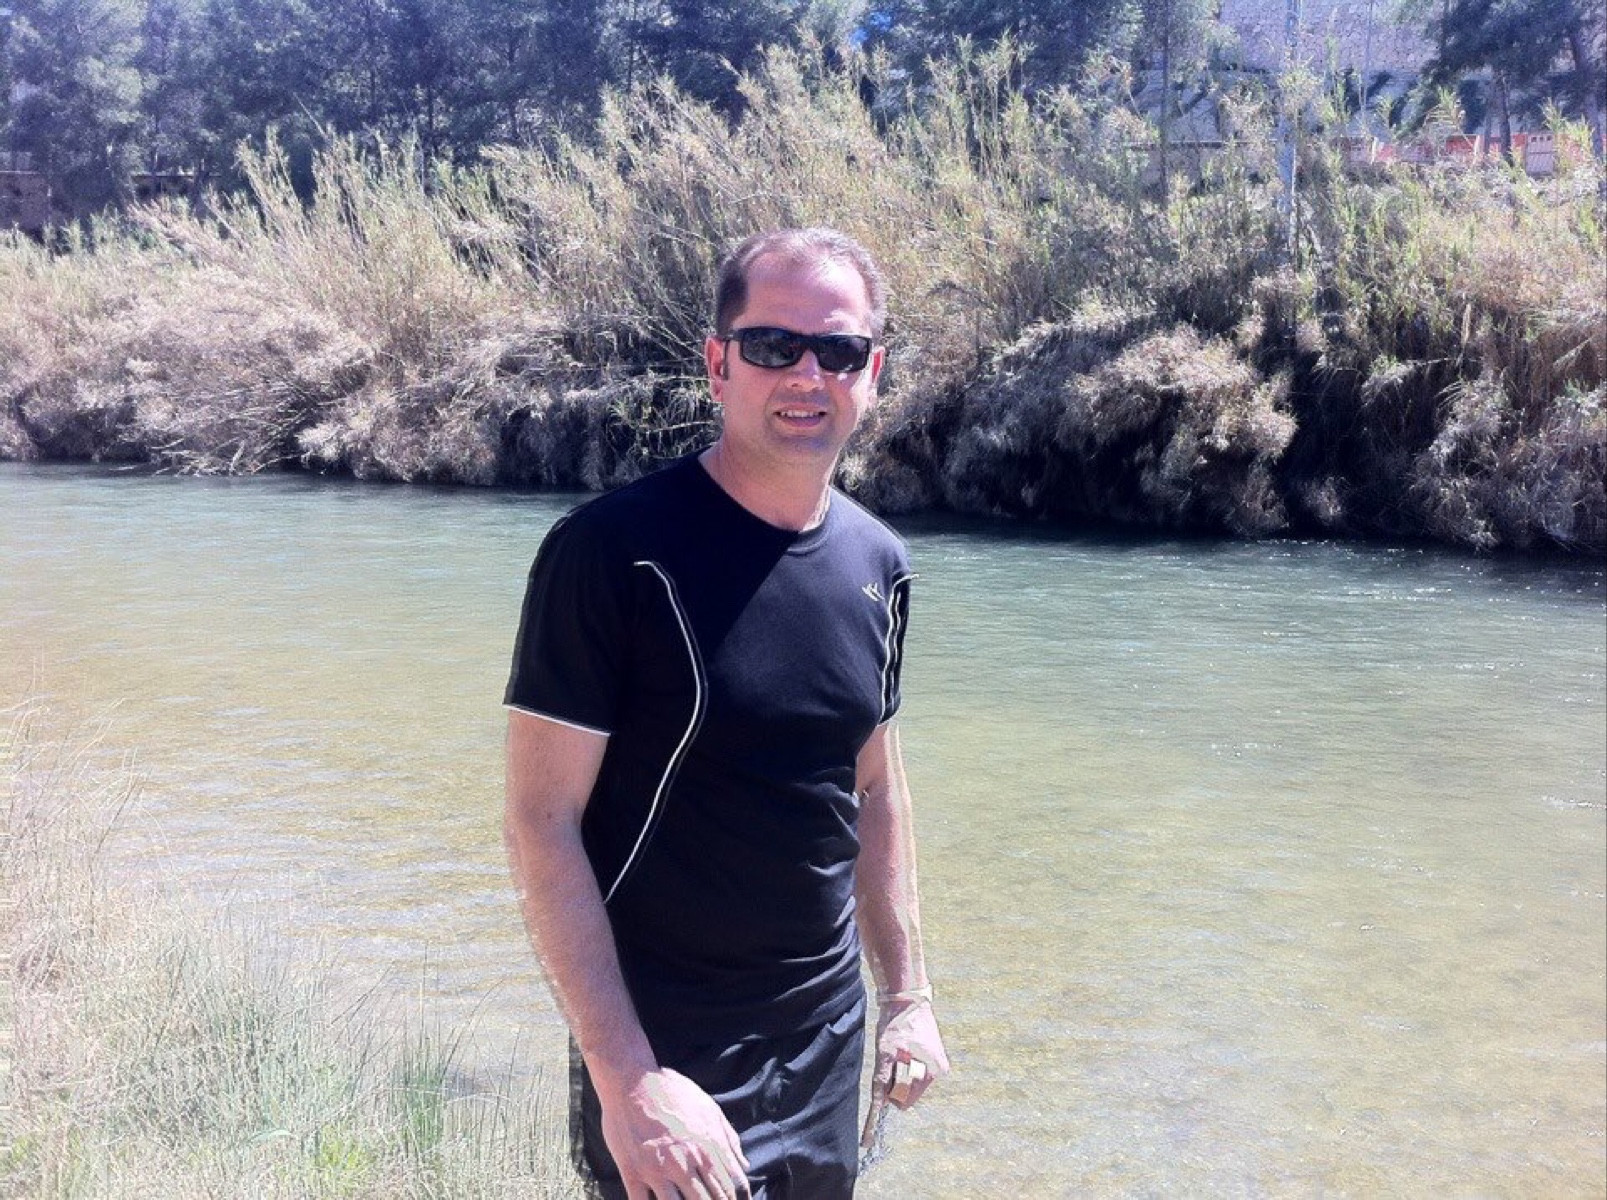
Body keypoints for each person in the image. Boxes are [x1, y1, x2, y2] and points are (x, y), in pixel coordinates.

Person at [503, 227, 948, 1200]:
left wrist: (906, 998)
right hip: (671, 1048)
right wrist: (627, 1082)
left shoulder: (877, 563)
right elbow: (541, 821)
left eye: (837, 350)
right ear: (718, 364)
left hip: (825, 1040)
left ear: (871, 373)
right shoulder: (610, 553)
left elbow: (874, 787)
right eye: (771, 346)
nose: (806, 374)